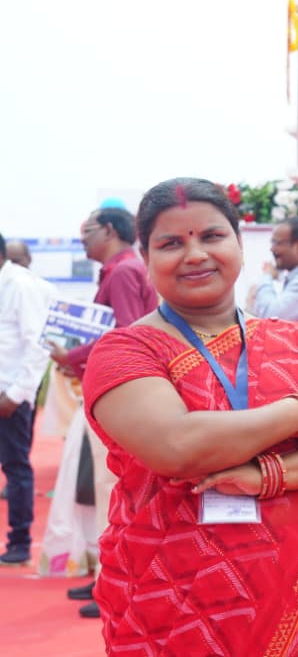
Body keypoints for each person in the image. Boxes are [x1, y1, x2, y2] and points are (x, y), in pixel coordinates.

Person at [82, 177, 298, 653]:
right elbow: (178, 446)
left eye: (212, 236)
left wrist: (266, 476)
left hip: (291, 594)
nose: (195, 254)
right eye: (171, 243)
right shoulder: (126, 352)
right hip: (170, 597)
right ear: (145, 257)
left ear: (240, 244)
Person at [46, 206, 159, 618]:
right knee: (104, 487)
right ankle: (106, 577)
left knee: (110, 487)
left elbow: (126, 335)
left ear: (109, 230)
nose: (82, 238)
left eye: (87, 230)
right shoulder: (122, 269)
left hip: (118, 393)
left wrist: (72, 356)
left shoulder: (124, 271)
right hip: (113, 390)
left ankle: (115, 583)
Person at [0, 232, 52, 566]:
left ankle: (19, 542)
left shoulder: (21, 285)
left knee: (15, 467)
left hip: (9, 395)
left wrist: (16, 395)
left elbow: (38, 344)